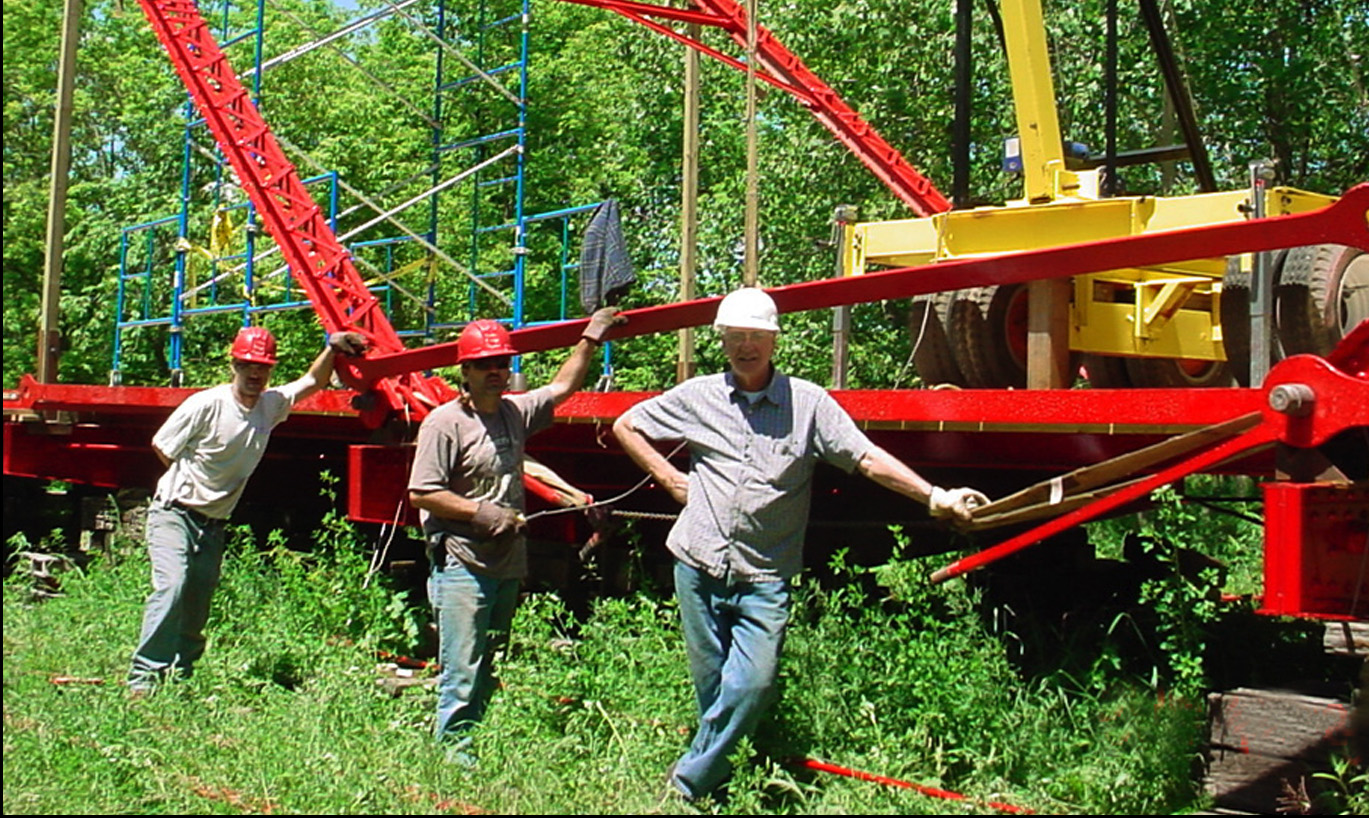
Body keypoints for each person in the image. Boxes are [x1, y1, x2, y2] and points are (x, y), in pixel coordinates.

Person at [612, 287, 990, 801]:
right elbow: (626, 423)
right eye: (736, 337)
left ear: (773, 341)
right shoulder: (698, 396)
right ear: (721, 340)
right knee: (712, 690)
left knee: (753, 685)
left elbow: (866, 457)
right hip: (697, 564)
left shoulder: (808, 404)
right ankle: (720, 793)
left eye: (756, 337)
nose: (746, 346)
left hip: (765, 576)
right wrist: (668, 477)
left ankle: (686, 787)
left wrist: (933, 496)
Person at [408, 308, 623, 754]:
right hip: (462, 563)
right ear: (464, 371)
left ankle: (476, 738)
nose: (495, 372)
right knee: (461, 665)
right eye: (484, 365)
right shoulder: (444, 424)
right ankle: (453, 752)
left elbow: (563, 387)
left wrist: (591, 337)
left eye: (501, 364)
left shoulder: (514, 413)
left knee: (489, 658)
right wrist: (481, 512)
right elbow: (422, 493)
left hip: (505, 561)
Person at [128, 325, 368, 693]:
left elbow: (312, 381)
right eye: (248, 366)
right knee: (172, 587)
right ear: (234, 365)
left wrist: (332, 348)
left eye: (263, 367)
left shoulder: (269, 407)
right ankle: (143, 679)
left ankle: (181, 677)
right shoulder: (207, 404)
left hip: (214, 523)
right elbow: (163, 446)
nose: (255, 374)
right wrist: (194, 485)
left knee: (198, 600)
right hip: (174, 513)